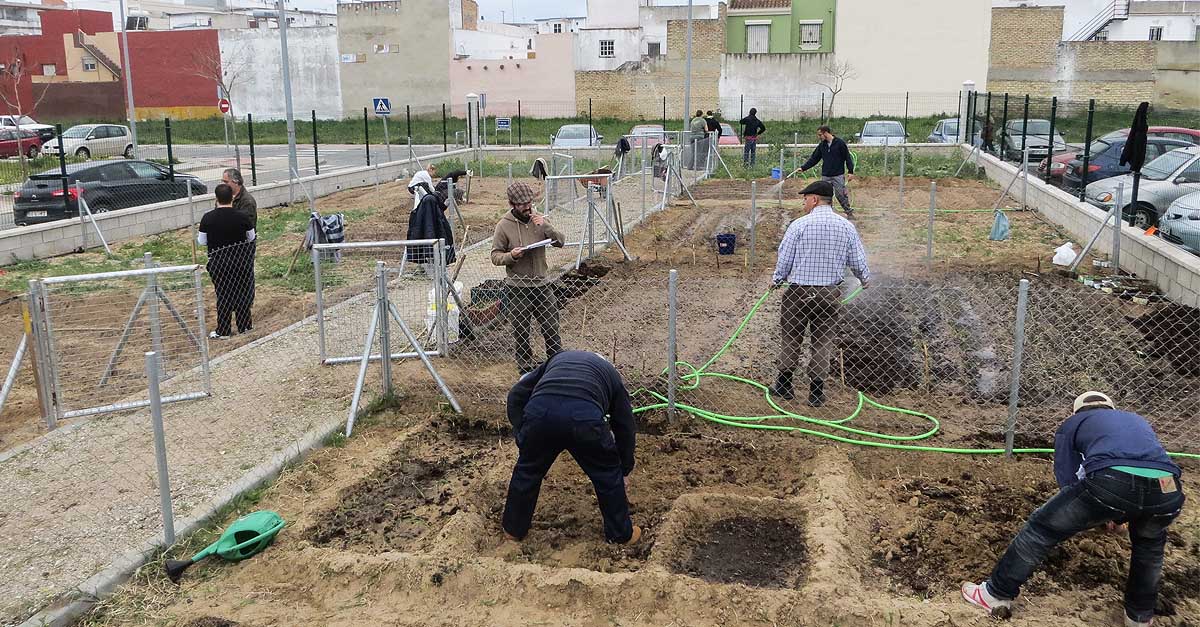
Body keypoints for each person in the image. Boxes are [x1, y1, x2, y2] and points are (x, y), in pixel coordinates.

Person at [962, 392, 1185, 627]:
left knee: (1041, 528)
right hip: (1167, 487)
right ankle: (1139, 617)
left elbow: (1068, 477)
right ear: (1112, 408)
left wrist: (1095, 512)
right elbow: (1140, 474)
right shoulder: (1136, 420)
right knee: (1149, 547)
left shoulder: (1073, 424)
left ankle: (995, 594)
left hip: (1112, 480)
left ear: (1075, 412)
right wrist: (1116, 514)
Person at [502, 350, 641, 545]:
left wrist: (522, 435)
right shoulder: (611, 374)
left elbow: (516, 394)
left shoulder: (558, 359)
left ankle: (513, 530)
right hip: (583, 420)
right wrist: (624, 469)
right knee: (607, 474)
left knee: (528, 471)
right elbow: (625, 426)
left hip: (541, 414)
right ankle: (620, 534)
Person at [770, 179, 869, 406]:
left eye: (805, 199)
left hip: (798, 293)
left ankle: (784, 386)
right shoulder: (846, 226)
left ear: (814, 200)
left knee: (791, 337)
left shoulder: (799, 225)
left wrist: (777, 280)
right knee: (822, 341)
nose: (803, 203)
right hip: (829, 293)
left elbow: (785, 258)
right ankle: (816, 393)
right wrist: (864, 279)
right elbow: (857, 259)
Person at [491, 182, 566, 374]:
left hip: (542, 285)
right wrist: (511, 256)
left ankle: (557, 364)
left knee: (551, 327)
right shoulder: (503, 226)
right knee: (521, 331)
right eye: (522, 204)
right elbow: (495, 256)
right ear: (511, 204)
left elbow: (560, 242)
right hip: (518, 288)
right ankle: (525, 368)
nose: (527, 207)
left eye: (529, 202)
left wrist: (546, 226)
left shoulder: (539, 220)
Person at [199, 184, 256, 339]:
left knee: (223, 295)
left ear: (216, 198)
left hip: (219, 264)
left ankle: (223, 330)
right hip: (240, 263)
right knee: (242, 293)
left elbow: (202, 241)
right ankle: (245, 326)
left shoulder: (207, 218)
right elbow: (251, 237)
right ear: (232, 197)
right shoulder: (242, 217)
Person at [797, 126, 856, 217]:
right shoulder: (822, 145)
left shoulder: (840, 143)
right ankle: (828, 213)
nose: (819, 137)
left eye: (820, 135)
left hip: (838, 174)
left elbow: (847, 158)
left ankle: (848, 212)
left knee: (840, 194)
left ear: (826, 133)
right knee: (825, 196)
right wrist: (804, 168)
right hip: (826, 175)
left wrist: (850, 172)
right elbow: (814, 159)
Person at [222, 168, 257, 310]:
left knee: (245, 275)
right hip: (229, 246)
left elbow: (246, 227)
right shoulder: (225, 197)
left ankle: (246, 304)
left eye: (225, 181)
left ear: (235, 182)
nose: (223, 184)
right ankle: (234, 302)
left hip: (244, 246)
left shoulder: (247, 201)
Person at [405, 180, 456, 273]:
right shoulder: (431, 201)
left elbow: (429, 226)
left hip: (430, 234)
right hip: (435, 234)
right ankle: (434, 266)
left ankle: (432, 266)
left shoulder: (428, 201)